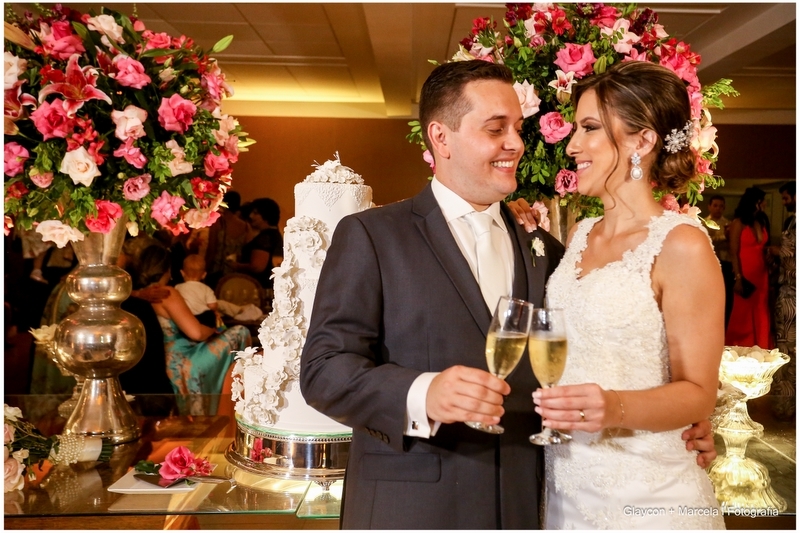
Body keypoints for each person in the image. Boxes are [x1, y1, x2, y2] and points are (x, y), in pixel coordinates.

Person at [300, 60, 716, 530]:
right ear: (441, 138)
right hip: (414, 510)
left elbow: (627, 347)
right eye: (497, 128)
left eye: (518, 128)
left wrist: (677, 420)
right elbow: (323, 370)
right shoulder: (372, 236)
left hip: (534, 502)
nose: (517, 143)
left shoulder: (548, 247)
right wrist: (423, 393)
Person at [510, 61, 724, 528]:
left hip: (650, 494)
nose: (572, 145)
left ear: (643, 141)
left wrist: (613, 407)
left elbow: (698, 394)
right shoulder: (581, 234)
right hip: (567, 487)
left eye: (589, 128)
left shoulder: (682, 244)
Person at [136, 245, 250, 403]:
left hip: (160, 362)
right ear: (167, 270)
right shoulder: (166, 293)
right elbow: (196, 333)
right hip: (182, 360)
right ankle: (233, 404)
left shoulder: (137, 295)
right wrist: (213, 331)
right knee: (240, 332)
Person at [725, 186, 773, 348]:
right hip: (745, 273)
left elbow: (764, 246)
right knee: (743, 312)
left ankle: (761, 345)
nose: (765, 204)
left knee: (761, 310)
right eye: (763, 201)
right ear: (756, 202)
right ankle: (741, 347)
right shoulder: (738, 223)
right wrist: (738, 277)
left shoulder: (761, 221)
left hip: (761, 273)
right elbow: (733, 252)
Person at [769, 181, 795, 418]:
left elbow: (790, 256)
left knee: (789, 350)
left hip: (792, 296)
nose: (785, 203)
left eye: (786, 198)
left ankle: (788, 407)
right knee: (788, 349)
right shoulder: (791, 221)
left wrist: (778, 252)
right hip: (788, 293)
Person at [229, 197, 283, 290]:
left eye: (255, 213)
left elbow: (257, 266)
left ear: (265, 215)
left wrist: (236, 265)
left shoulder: (265, 237)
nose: (251, 216)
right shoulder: (274, 234)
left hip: (257, 287)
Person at [204, 190, 252, 289]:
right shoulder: (246, 226)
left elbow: (211, 249)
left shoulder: (218, 223)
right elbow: (246, 249)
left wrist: (205, 269)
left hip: (217, 270)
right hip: (236, 271)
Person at [706, 194, 735, 327]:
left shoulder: (728, 224)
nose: (718, 209)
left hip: (726, 263)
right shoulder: (702, 223)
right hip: (708, 264)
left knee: (725, 296)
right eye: (715, 206)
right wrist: (723, 237)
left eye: (721, 206)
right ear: (709, 207)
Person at [175, 254, 220, 329]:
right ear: (204, 275)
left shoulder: (177, 287)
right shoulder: (206, 289)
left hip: (186, 318)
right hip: (204, 319)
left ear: (182, 273)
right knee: (216, 315)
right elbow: (213, 306)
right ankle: (220, 331)